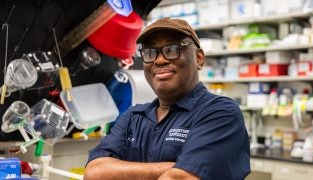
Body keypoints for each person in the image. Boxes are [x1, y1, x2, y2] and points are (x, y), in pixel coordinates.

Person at [84, 17, 250, 180]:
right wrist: (173, 166)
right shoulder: (133, 117)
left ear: (199, 58)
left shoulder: (220, 113)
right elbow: (94, 173)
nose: (160, 60)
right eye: (150, 52)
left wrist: (123, 172)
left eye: (172, 50)